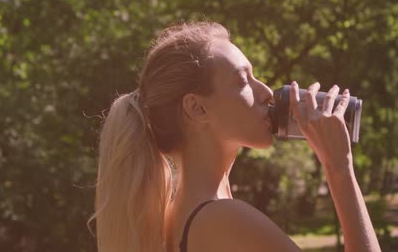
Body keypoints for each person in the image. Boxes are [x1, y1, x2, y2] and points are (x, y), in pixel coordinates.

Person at [88, 21, 381, 252]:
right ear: (197, 107)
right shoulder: (223, 219)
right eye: (243, 80)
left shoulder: (178, 217)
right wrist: (339, 169)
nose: (266, 92)